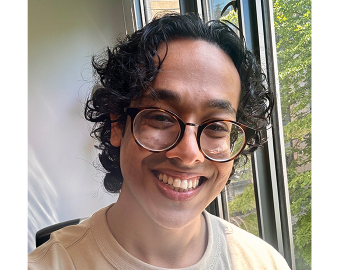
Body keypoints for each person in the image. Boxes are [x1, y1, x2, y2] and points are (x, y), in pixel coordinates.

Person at [27, 13, 291, 269]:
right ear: (118, 123)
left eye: (217, 126)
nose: (189, 153)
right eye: (161, 117)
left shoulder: (264, 263)